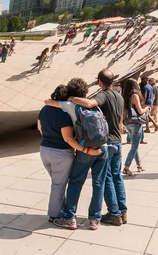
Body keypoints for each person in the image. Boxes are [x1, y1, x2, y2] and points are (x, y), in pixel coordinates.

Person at [67, 69, 128, 227]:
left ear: (100, 82)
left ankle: (114, 213)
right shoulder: (119, 96)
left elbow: (89, 103)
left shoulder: (104, 94)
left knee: (106, 179)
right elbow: (120, 118)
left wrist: (72, 98)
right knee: (117, 177)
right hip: (118, 141)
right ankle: (122, 211)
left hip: (107, 142)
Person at [49, 78, 108, 231]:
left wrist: (68, 98)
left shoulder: (70, 105)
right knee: (99, 183)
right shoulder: (93, 105)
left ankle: (69, 217)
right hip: (104, 146)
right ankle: (95, 219)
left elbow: (47, 102)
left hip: (86, 148)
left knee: (75, 182)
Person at [37, 85, 102, 222]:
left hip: (44, 150)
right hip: (60, 152)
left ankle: (60, 209)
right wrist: (85, 150)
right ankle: (55, 214)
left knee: (56, 183)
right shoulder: (64, 113)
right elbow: (67, 138)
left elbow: (39, 127)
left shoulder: (44, 109)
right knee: (58, 185)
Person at [123, 79, 150, 176]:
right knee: (134, 147)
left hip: (128, 122)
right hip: (135, 123)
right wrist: (146, 109)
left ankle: (139, 165)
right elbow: (140, 111)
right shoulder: (134, 95)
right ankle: (126, 167)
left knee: (135, 145)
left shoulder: (125, 96)